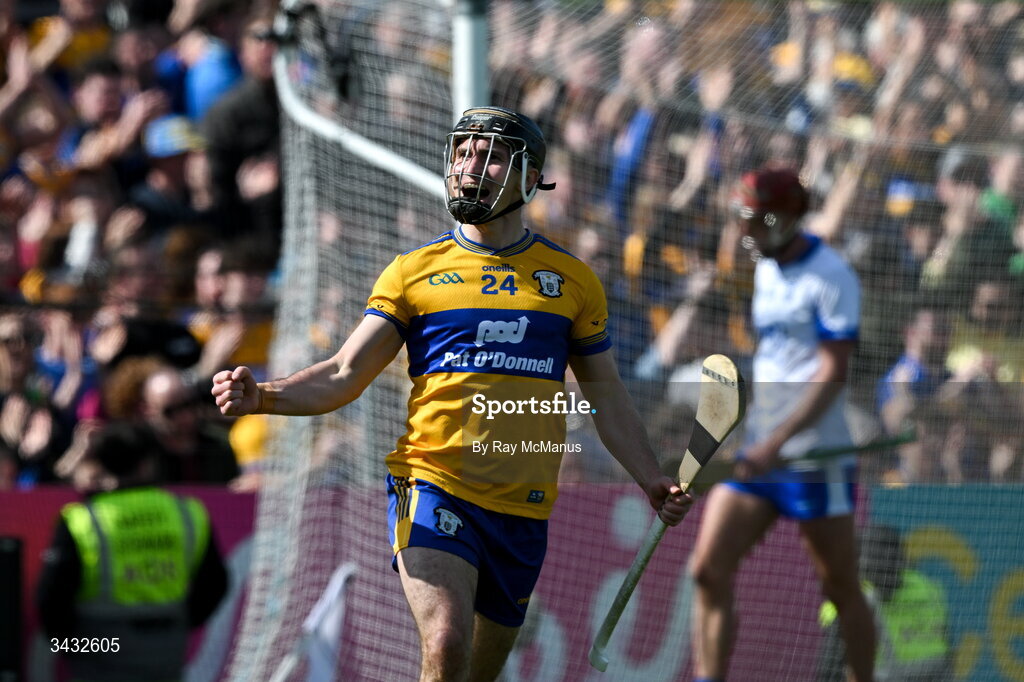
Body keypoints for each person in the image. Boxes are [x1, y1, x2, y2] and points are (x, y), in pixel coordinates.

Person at [212, 105, 692, 682]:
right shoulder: (413, 272)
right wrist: (263, 395)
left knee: (467, 674)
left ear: (530, 176)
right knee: (444, 642)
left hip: (523, 511)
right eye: (463, 151)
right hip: (433, 485)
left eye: (488, 155)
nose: (469, 165)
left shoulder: (572, 281)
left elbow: (606, 397)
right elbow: (344, 372)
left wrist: (649, 477)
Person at [688, 167, 876, 682]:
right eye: (742, 220)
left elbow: (832, 374)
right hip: (762, 455)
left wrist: (776, 441)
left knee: (839, 588)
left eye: (756, 222)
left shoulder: (831, 275)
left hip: (815, 459)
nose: (746, 234)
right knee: (707, 570)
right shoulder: (767, 268)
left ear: (788, 218)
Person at [35, 420, 228, 682]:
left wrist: (70, 648)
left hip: (99, 649)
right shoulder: (187, 512)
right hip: (167, 644)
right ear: (147, 462)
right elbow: (215, 584)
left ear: (102, 464)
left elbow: (51, 599)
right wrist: (180, 626)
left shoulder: (83, 519)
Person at [818, 524, 951, 682]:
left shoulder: (853, 596)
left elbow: (829, 666)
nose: (886, 563)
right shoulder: (926, 586)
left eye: (889, 557)